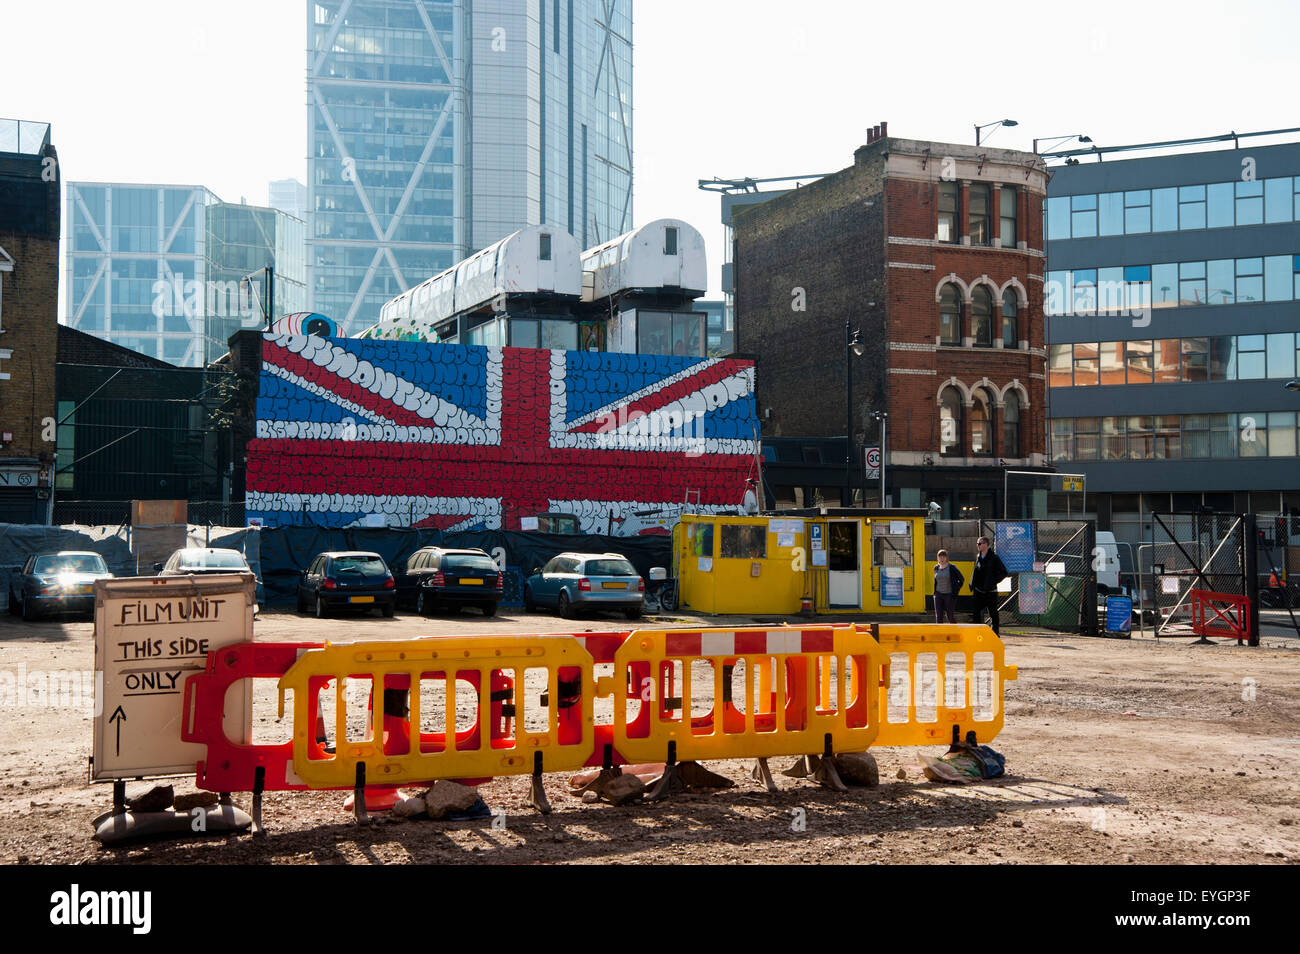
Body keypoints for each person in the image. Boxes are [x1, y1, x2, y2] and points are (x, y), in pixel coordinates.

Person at [969, 536, 1008, 634]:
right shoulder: (978, 557)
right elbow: (976, 572)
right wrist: (973, 584)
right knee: (976, 611)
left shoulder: (994, 558)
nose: (978, 545)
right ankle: (977, 632)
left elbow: (1004, 572)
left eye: (980, 543)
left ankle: (995, 632)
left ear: (986, 544)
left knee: (993, 612)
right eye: (977, 543)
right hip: (979, 590)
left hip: (990, 591)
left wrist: (993, 581)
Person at [933, 549, 964, 624]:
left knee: (950, 616)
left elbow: (961, 579)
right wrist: (935, 593)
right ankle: (940, 634)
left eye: (943, 557)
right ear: (938, 558)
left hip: (949, 595)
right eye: (940, 557)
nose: (942, 559)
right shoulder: (936, 568)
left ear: (946, 558)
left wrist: (956, 589)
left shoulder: (952, 567)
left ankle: (955, 632)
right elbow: (936, 581)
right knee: (938, 616)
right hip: (938, 594)